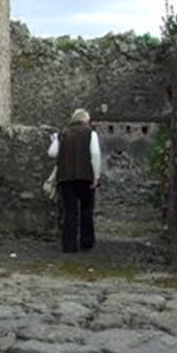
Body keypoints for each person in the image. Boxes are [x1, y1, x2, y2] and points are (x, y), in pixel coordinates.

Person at [48, 108, 101, 253]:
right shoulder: (91, 133)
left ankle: (69, 245)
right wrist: (96, 176)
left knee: (69, 211)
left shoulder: (63, 134)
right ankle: (86, 242)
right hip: (85, 176)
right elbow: (95, 154)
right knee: (86, 210)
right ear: (86, 120)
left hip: (65, 178)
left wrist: (54, 140)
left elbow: (52, 153)